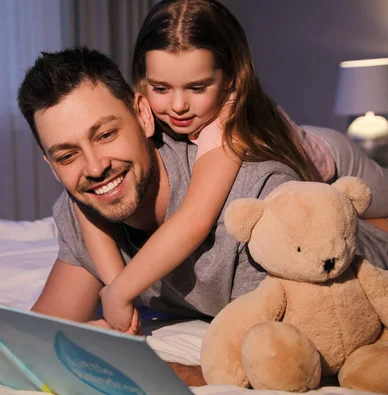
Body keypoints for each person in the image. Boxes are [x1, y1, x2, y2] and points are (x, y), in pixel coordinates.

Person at [0, 47, 388, 388]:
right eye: (66, 154)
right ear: (48, 162)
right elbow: (41, 330)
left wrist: (172, 375)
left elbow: (314, 350)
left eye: (105, 134)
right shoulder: (83, 208)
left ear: (142, 112)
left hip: (353, 225)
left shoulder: (248, 201)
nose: (94, 168)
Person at [72, 0, 388, 332]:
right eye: (161, 88)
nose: (178, 105)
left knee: (362, 220)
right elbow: (82, 201)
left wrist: (119, 292)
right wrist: (113, 283)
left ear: (229, 80)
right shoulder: (149, 112)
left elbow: (195, 218)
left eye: (197, 87)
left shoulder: (228, 124)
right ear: (142, 78)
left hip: (336, 162)